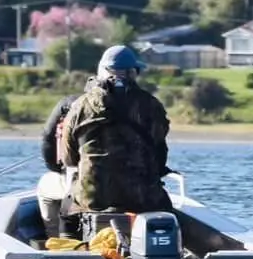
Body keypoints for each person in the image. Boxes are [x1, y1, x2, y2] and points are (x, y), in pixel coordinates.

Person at [61, 45, 174, 216]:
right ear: (133, 73)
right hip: (144, 198)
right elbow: (160, 156)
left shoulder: (81, 106)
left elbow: (68, 159)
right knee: (165, 208)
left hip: (94, 198)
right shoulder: (152, 106)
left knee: (67, 208)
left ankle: (69, 239)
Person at [36, 93, 82, 242]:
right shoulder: (142, 104)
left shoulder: (71, 103)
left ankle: (56, 241)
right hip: (135, 183)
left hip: (84, 182)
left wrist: (55, 167)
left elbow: (47, 138)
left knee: (44, 187)